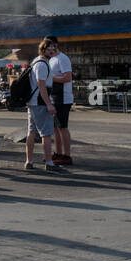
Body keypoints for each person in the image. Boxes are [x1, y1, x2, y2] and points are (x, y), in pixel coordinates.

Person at [24, 39, 62, 172]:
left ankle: (29, 161)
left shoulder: (36, 61)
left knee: (31, 132)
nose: (52, 50)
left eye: (54, 48)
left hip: (33, 102)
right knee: (46, 134)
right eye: (49, 48)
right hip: (40, 102)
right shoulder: (41, 64)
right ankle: (49, 163)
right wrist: (49, 104)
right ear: (43, 49)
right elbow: (42, 86)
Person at [46, 35, 74, 165]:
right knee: (55, 128)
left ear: (55, 44)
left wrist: (50, 79)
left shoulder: (63, 59)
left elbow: (67, 78)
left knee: (63, 127)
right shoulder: (51, 59)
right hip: (54, 96)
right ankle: (58, 153)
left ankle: (67, 155)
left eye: (49, 44)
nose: (48, 48)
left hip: (63, 97)